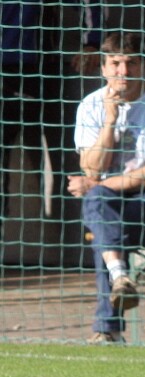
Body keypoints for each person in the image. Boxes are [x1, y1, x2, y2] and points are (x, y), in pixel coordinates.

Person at [67, 32, 145, 345]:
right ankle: (119, 278)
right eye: (116, 63)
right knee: (101, 210)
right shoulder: (91, 105)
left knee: (101, 226)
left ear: (142, 65)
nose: (124, 71)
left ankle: (108, 327)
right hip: (108, 202)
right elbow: (91, 168)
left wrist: (95, 183)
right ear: (103, 67)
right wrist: (110, 121)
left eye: (131, 63)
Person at [1, 1, 103, 238]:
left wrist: (92, 42)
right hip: (19, 68)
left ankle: (82, 235)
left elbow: (91, 4)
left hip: (38, 68)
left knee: (63, 156)